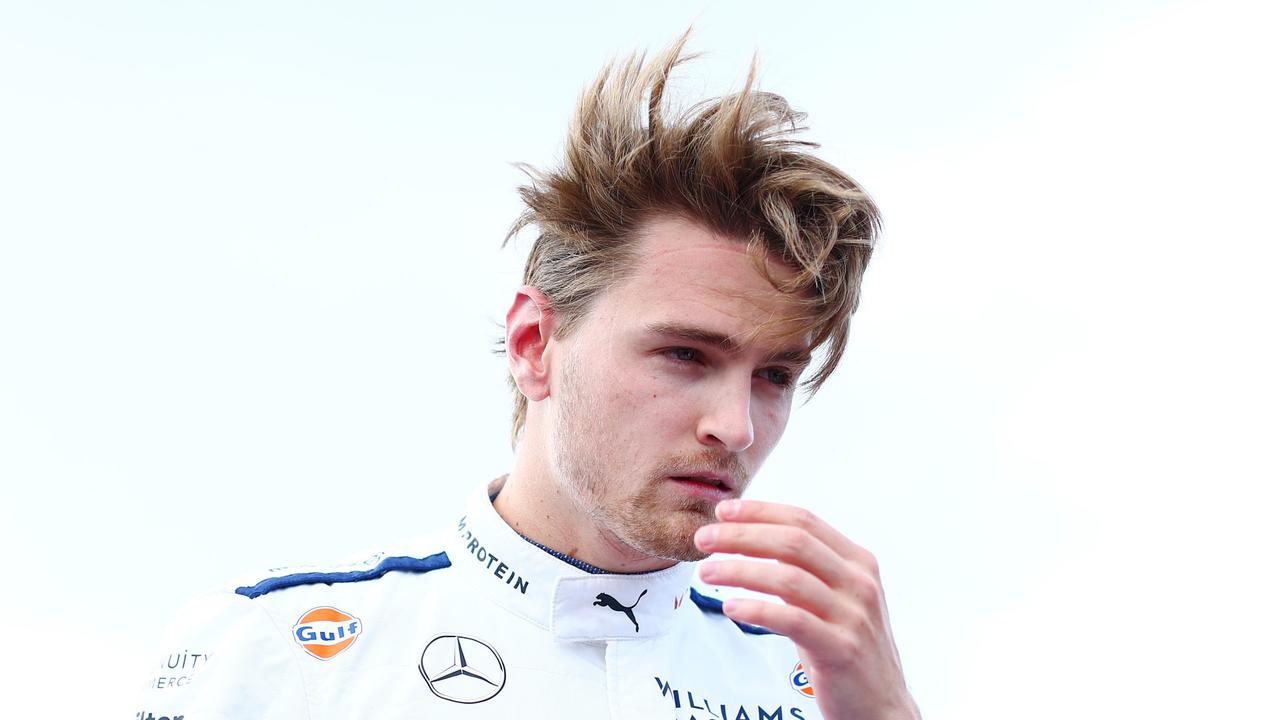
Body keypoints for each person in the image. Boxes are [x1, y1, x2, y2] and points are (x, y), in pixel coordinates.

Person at [134, 32, 920, 720]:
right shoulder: (282, 649)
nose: (737, 426)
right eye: (686, 355)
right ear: (534, 343)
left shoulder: (816, 682)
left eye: (776, 375)